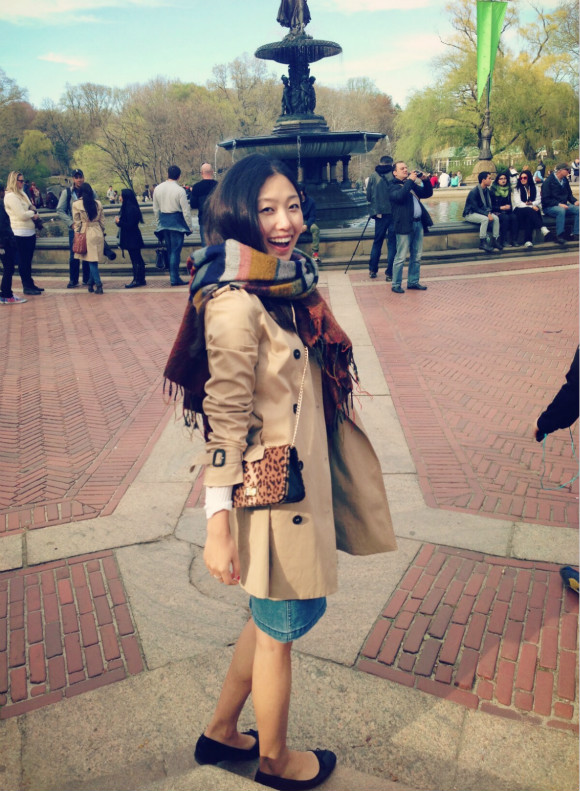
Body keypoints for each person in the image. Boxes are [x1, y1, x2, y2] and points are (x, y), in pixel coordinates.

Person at [163, 154, 395, 791]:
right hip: (273, 499)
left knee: (267, 622)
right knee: (277, 636)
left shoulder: (280, 284)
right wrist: (216, 526)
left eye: (292, 206)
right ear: (239, 215)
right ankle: (275, 761)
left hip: (298, 487)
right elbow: (224, 424)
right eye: (267, 210)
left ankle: (221, 731)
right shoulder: (235, 303)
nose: (285, 221)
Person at [388, 161, 433, 293]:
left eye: (406, 168)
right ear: (395, 172)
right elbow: (400, 197)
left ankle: (413, 282)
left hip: (418, 223)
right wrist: (410, 181)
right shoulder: (392, 186)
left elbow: (426, 193)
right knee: (401, 256)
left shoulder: (410, 184)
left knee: (417, 256)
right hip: (404, 225)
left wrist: (425, 180)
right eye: (402, 168)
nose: (405, 170)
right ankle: (396, 284)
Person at [4, 171, 45, 296]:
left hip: (30, 232)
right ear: (14, 181)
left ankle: (30, 283)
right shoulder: (10, 196)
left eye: (23, 180)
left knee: (28, 260)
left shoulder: (22, 193)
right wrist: (33, 214)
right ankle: (26, 286)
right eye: (20, 181)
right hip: (19, 232)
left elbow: (32, 206)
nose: (22, 183)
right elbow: (21, 215)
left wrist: (32, 211)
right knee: (23, 261)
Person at [153, 165, 193, 286]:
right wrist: (189, 226)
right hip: (177, 223)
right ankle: (174, 278)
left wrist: (159, 222)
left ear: (167, 174)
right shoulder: (180, 190)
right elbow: (186, 211)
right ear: (179, 176)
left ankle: (173, 276)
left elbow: (155, 209)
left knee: (170, 250)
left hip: (164, 222)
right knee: (175, 252)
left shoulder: (158, 188)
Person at [57, 169, 96, 288]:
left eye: (81, 177)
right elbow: (60, 210)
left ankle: (87, 279)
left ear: (83, 178)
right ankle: (73, 280)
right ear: (73, 179)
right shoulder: (67, 192)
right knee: (74, 254)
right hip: (74, 229)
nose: (79, 180)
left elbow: (97, 206)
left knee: (88, 253)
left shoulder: (90, 191)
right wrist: (70, 223)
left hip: (88, 227)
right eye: (76, 177)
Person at [366, 155, 396, 281]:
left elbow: (368, 196)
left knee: (377, 242)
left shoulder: (373, 176)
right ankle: (390, 273)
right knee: (392, 244)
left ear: (380, 163)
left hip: (379, 214)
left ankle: (373, 270)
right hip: (393, 213)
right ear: (391, 164)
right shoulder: (394, 175)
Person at [72, 182, 106, 294]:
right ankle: (91, 283)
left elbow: (77, 222)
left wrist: (77, 233)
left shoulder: (76, 204)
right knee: (93, 259)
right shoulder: (98, 203)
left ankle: (99, 284)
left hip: (86, 231)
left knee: (91, 261)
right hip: (98, 231)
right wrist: (102, 231)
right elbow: (102, 221)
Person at [0, 182, 27, 304]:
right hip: (4, 242)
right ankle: (6, 294)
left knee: (8, 268)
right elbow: (3, 225)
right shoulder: (1, 205)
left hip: (4, 241)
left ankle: (5, 293)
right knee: (9, 268)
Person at [463, 172, 503, 253]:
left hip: (481, 212)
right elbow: (475, 208)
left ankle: (495, 240)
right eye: (489, 178)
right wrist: (487, 214)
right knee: (485, 219)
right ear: (483, 180)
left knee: (496, 218)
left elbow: (488, 206)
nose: (491, 180)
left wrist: (490, 213)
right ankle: (482, 242)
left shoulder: (487, 191)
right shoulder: (474, 192)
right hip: (470, 213)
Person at [540, 163, 579, 244]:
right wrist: (559, 204)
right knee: (561, 210)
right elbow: (545, 199)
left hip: (563, 205)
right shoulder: (548, 182)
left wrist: (574, 201)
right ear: (560, 171)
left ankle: (576, 234)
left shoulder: (565, 181)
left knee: (578, 210)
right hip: (549, 207)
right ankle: (560, 235)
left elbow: (569, 195)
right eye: (567, 170)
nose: (569, 172)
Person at [115, 189, 147, 289]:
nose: (120, 197)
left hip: (131, 238)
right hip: (134, 236)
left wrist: (119, 222)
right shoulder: (132, 207)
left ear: (125, 197)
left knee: (135, 259)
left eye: (121, 195)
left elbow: (130, 225)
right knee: (138, 258)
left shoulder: (129, 208)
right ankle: (141, 279)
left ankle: (136, 280)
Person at [511, 169, 550, 248]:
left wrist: (532, 204)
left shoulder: (535, 187)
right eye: (521, 178)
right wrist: (531, 206)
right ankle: (542, 227)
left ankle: (528, 241)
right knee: (531, 210)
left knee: (529, 216)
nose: (522, 179)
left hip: (530, 212)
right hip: (518, 210)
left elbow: (538, 200)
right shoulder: (517, 189)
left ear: (529, 178)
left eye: (525, 178)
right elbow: (518, 203)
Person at [188, 163, 218, 246]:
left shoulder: (196, 187)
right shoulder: (219, 185)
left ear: (201, 173)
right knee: (217, 245)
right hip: (217, 220)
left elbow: (193, 205)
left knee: (205, 246)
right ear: (212, 172)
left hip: (203, 219)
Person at [490, 172, 518, 247]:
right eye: (501, 179)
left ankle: (514, 240)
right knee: (505, 218)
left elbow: (511, 203)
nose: (503, 180)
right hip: (496, 211)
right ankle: (503, 241)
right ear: (497, 180)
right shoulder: (492, 191)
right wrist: (500, 208)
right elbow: (490, 206)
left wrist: (509, 207)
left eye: (505, 178)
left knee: (514, 217)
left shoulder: (509, 190)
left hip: (507, 211)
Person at [299, 185, 320, 262]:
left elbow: (312, 216)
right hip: (297, 222)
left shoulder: (311, 202)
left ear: (302, 193)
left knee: (315, 229)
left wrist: (306, 225)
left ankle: (315, 253)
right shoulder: (294, 201)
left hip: (307, 222)